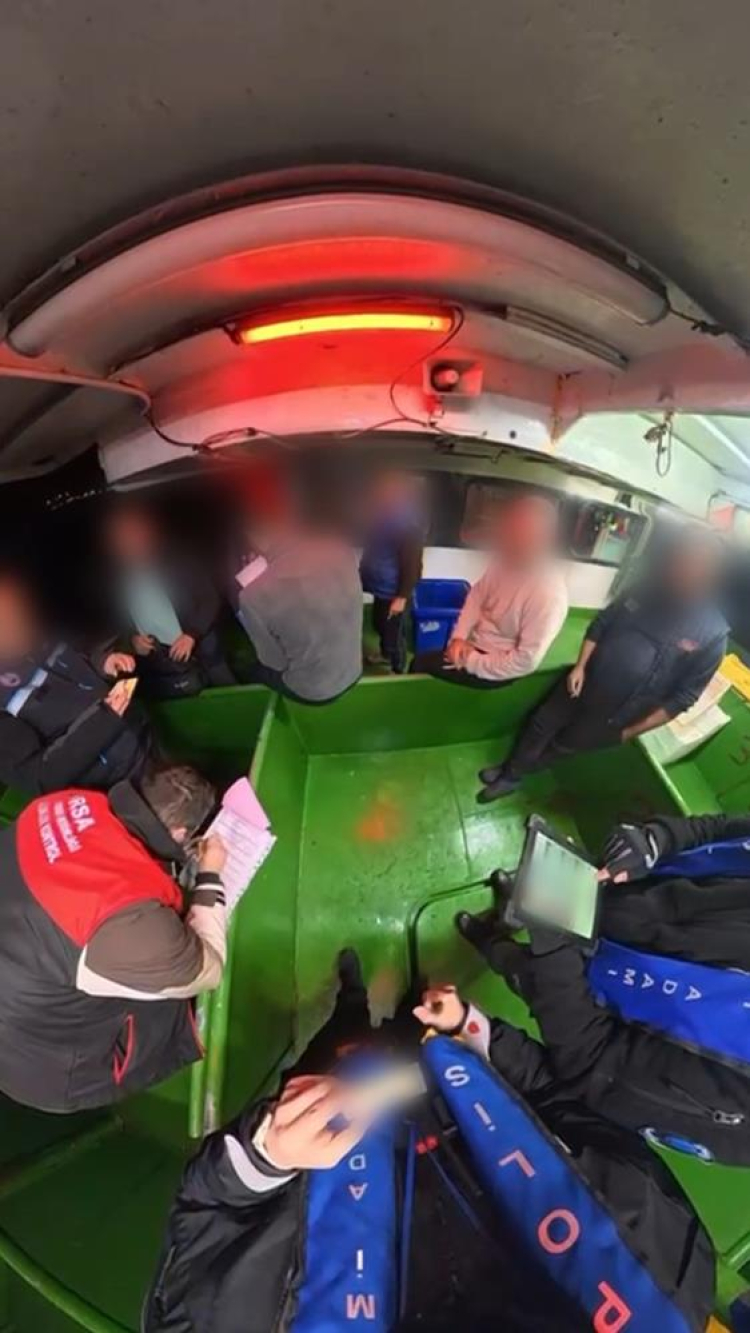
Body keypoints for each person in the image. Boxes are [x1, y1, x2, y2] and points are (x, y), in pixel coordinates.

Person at [144, 955, 715, 1333]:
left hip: (318, 1145)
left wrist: (267, 1154)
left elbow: (208, 1214)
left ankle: (349, 1012)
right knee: (374, 1030)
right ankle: (356, 1003)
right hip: (436, 1078)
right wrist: (474, 1027)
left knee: (331, 1051)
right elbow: (561, 1102)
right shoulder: (668, 1265)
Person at [457, 807, 750, 1165]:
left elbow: (594, 1060)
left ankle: (493, 946)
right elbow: (719, 828)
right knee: (533, 904)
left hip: (578, 989)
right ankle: (516, 907)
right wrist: (657, 840)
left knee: (523, 969)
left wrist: (551, 948)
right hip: (605, 895)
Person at [0, 763, 228, 1112]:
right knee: (169, 993)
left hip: (22, 982)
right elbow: (208, 970)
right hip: (43, 1068)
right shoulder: (126, 924)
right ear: (181, 834)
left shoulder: (61, 803)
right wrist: (210, 874)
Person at [478, 524, 727, 802]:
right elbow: (603, 622)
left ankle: (516, 775)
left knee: (563, 746)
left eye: (693, 564)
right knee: (540, 724)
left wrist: (629, 732)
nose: (680, 570)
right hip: (583, 682)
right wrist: (580, 666)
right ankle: (509, 770)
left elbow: (682, 699)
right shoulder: (646, 588)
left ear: (709, 573)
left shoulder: (713, 634)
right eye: (680, 560)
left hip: (615, 715)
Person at [0, 571, 150, 795]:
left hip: (141, 738)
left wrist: (103, 662)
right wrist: (104, 719)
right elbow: (40, 777)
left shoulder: (39, 629)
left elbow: (79, 652)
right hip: (110, 788)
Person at [410, 492, 568, 689]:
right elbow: (478, 595)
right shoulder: (505, 558)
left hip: (500, 664)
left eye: (520, 532)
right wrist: (458, 638)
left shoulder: (549, 593)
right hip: (474, 643)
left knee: (420, 663)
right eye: (509, 529)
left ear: (544, 538)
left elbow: (525, 662)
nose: (507, 538)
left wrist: (471, 661)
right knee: (430, 657)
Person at [102, 503, 235, 698]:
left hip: (203, 647)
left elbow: (210, 598)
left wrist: (192, 634)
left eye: (134, 532)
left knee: (231, 695)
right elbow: (120, 623)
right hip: (162, 661)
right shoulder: (115, 580)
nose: (130, 541)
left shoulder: (178, 558)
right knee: (188, 706)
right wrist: (132, 641)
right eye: (121, 537)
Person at [236, 516, 363, 703]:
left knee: (245, 666)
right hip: (354, 671)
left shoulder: (252, 596)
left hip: (314, 691)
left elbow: (274, 663)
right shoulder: (343, 551)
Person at [359, 471, 424, 674]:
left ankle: (398, 668)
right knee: (379, 623)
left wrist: (402, 597)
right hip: (380, 586)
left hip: (394, 591)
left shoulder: (407, 524)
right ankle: (385, 655)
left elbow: (412, 564)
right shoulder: (381, 513)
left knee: (393, 634)